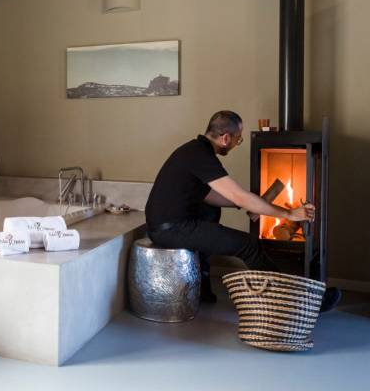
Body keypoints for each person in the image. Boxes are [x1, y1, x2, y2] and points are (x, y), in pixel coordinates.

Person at [145, 110, 341, 312]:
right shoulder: (200, 155)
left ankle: (202, 288)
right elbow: (239, 195)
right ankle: (297, 302)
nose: (236, 145)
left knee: (210, 211)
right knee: (248, 245)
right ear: (225, 138)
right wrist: (289, 214)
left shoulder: (194, 150)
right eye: (237, 140)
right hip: (171, 230)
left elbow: (209, 196)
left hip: (168, 225)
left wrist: (245, 204)